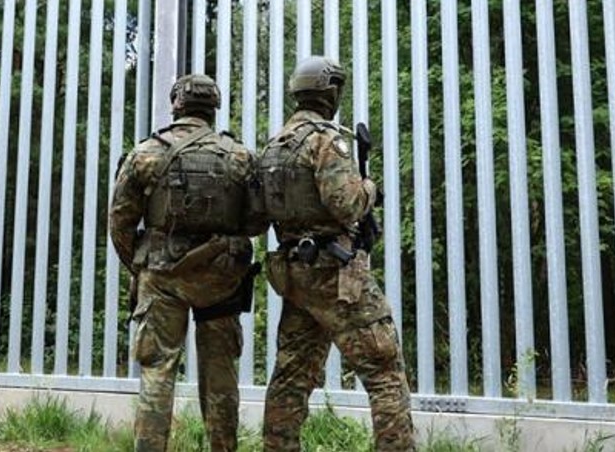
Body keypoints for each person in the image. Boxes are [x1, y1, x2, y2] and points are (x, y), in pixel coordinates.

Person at [258, 56, 415, 451]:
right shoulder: (328, 140)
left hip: (296, 276)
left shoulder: (274, 146)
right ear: (330, 92)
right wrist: (370, 188)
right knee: (384, 371)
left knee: (290, 378)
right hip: (338, 276)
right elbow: (346, 204)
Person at [109, 73, 265, 452]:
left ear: (176, 104)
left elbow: (120, 221)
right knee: (220, 376)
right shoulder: (240, 156)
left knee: (157, 372)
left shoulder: (146, 152)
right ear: (214, 108)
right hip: (222, 280)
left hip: (161, 277)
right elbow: (257, 220)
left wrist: (142, 267)